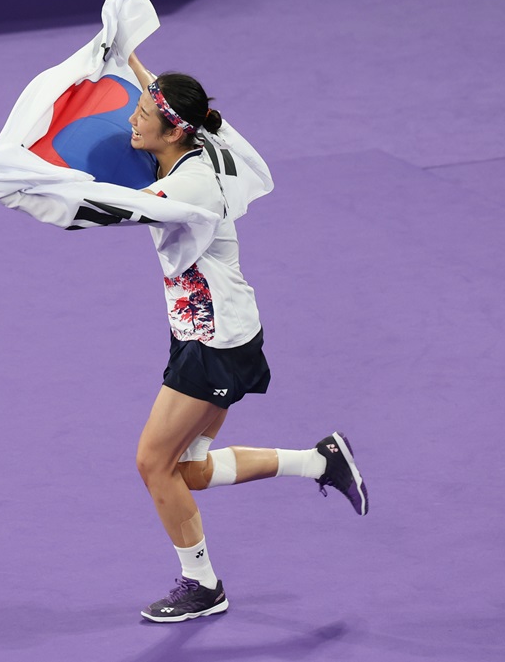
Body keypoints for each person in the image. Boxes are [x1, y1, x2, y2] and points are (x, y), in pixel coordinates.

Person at [125, 51, 368, 623]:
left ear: (172, 129)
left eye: (141, 114)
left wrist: (31, 184)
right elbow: (167, 98)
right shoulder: (196, 144)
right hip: (208, 332)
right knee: (193, 473)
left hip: (214, 343)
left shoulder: (189, 188)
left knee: (152, 463)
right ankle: (320, 461)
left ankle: (202, 585)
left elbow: (113, 210)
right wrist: (131, 57)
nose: (131, 120)